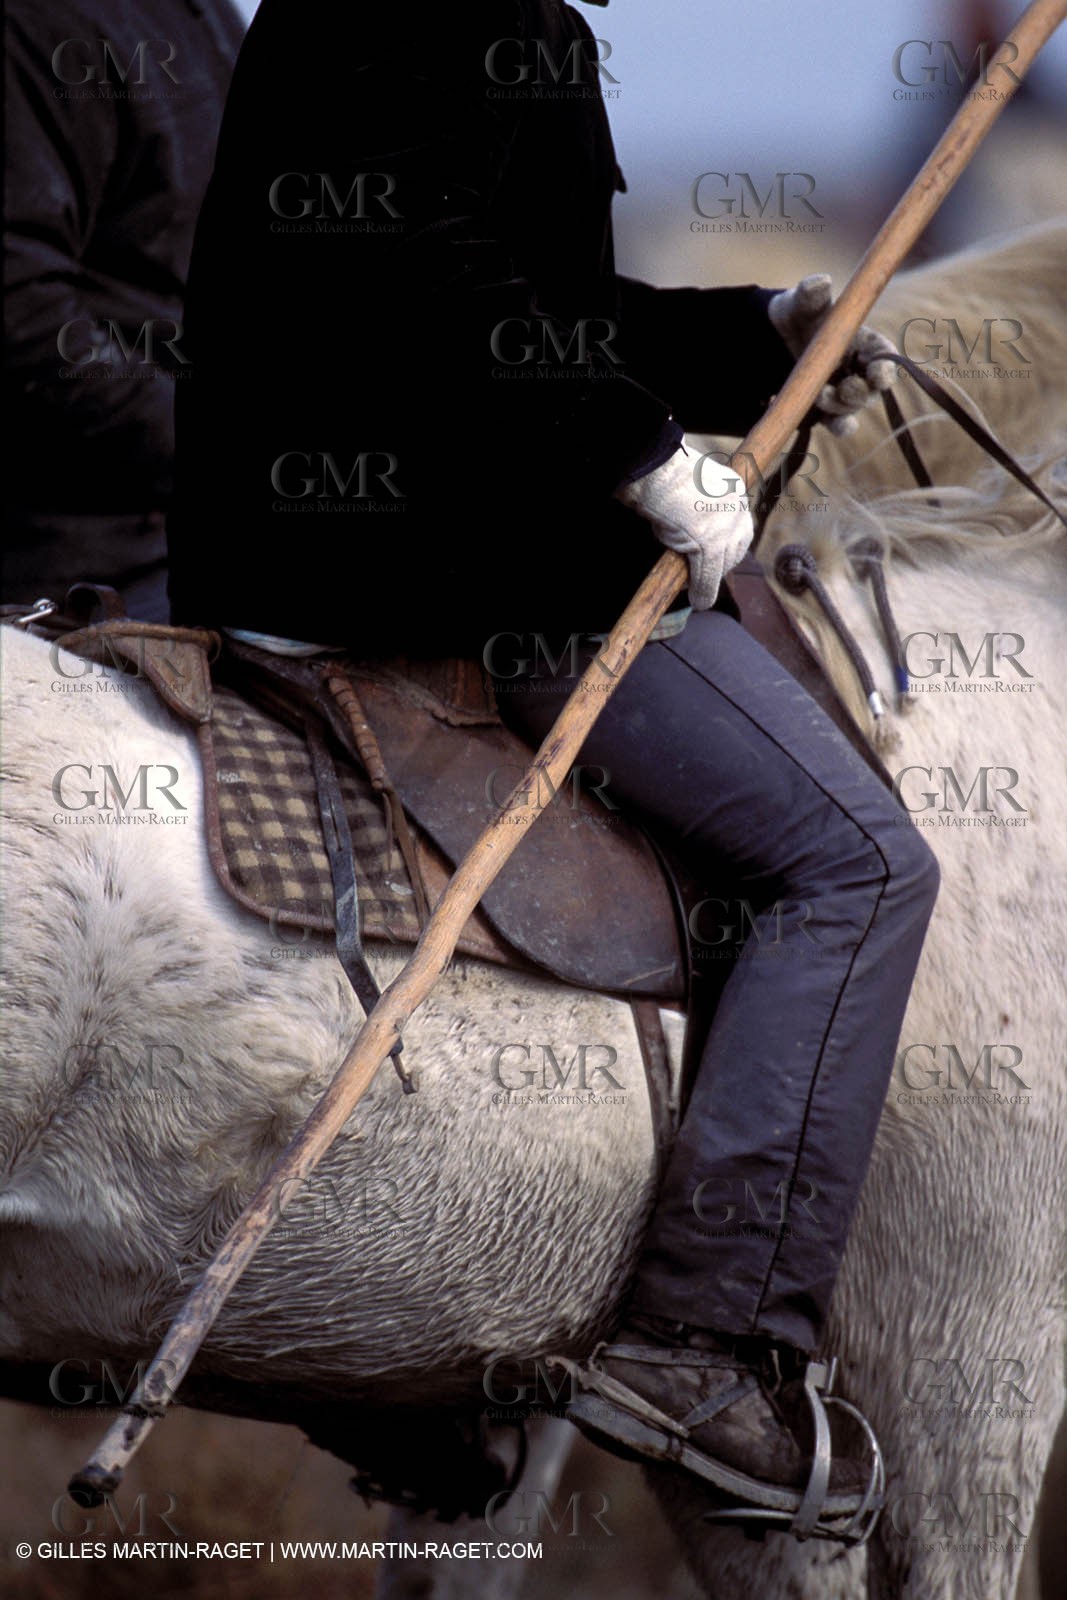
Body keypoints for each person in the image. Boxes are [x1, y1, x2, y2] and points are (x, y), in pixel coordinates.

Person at [166, 0, 939, 1536]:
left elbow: (537, 305)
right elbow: (429, 273)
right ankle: (702, 1344)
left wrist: (754, 333)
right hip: (442, 567)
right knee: (857, 867)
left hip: (338, 536)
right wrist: (637, 455)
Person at [3, 0, 245, 619]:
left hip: (194, 536)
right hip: (83, 569)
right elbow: (22, 314)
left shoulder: (206, 17)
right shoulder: (38, 25)